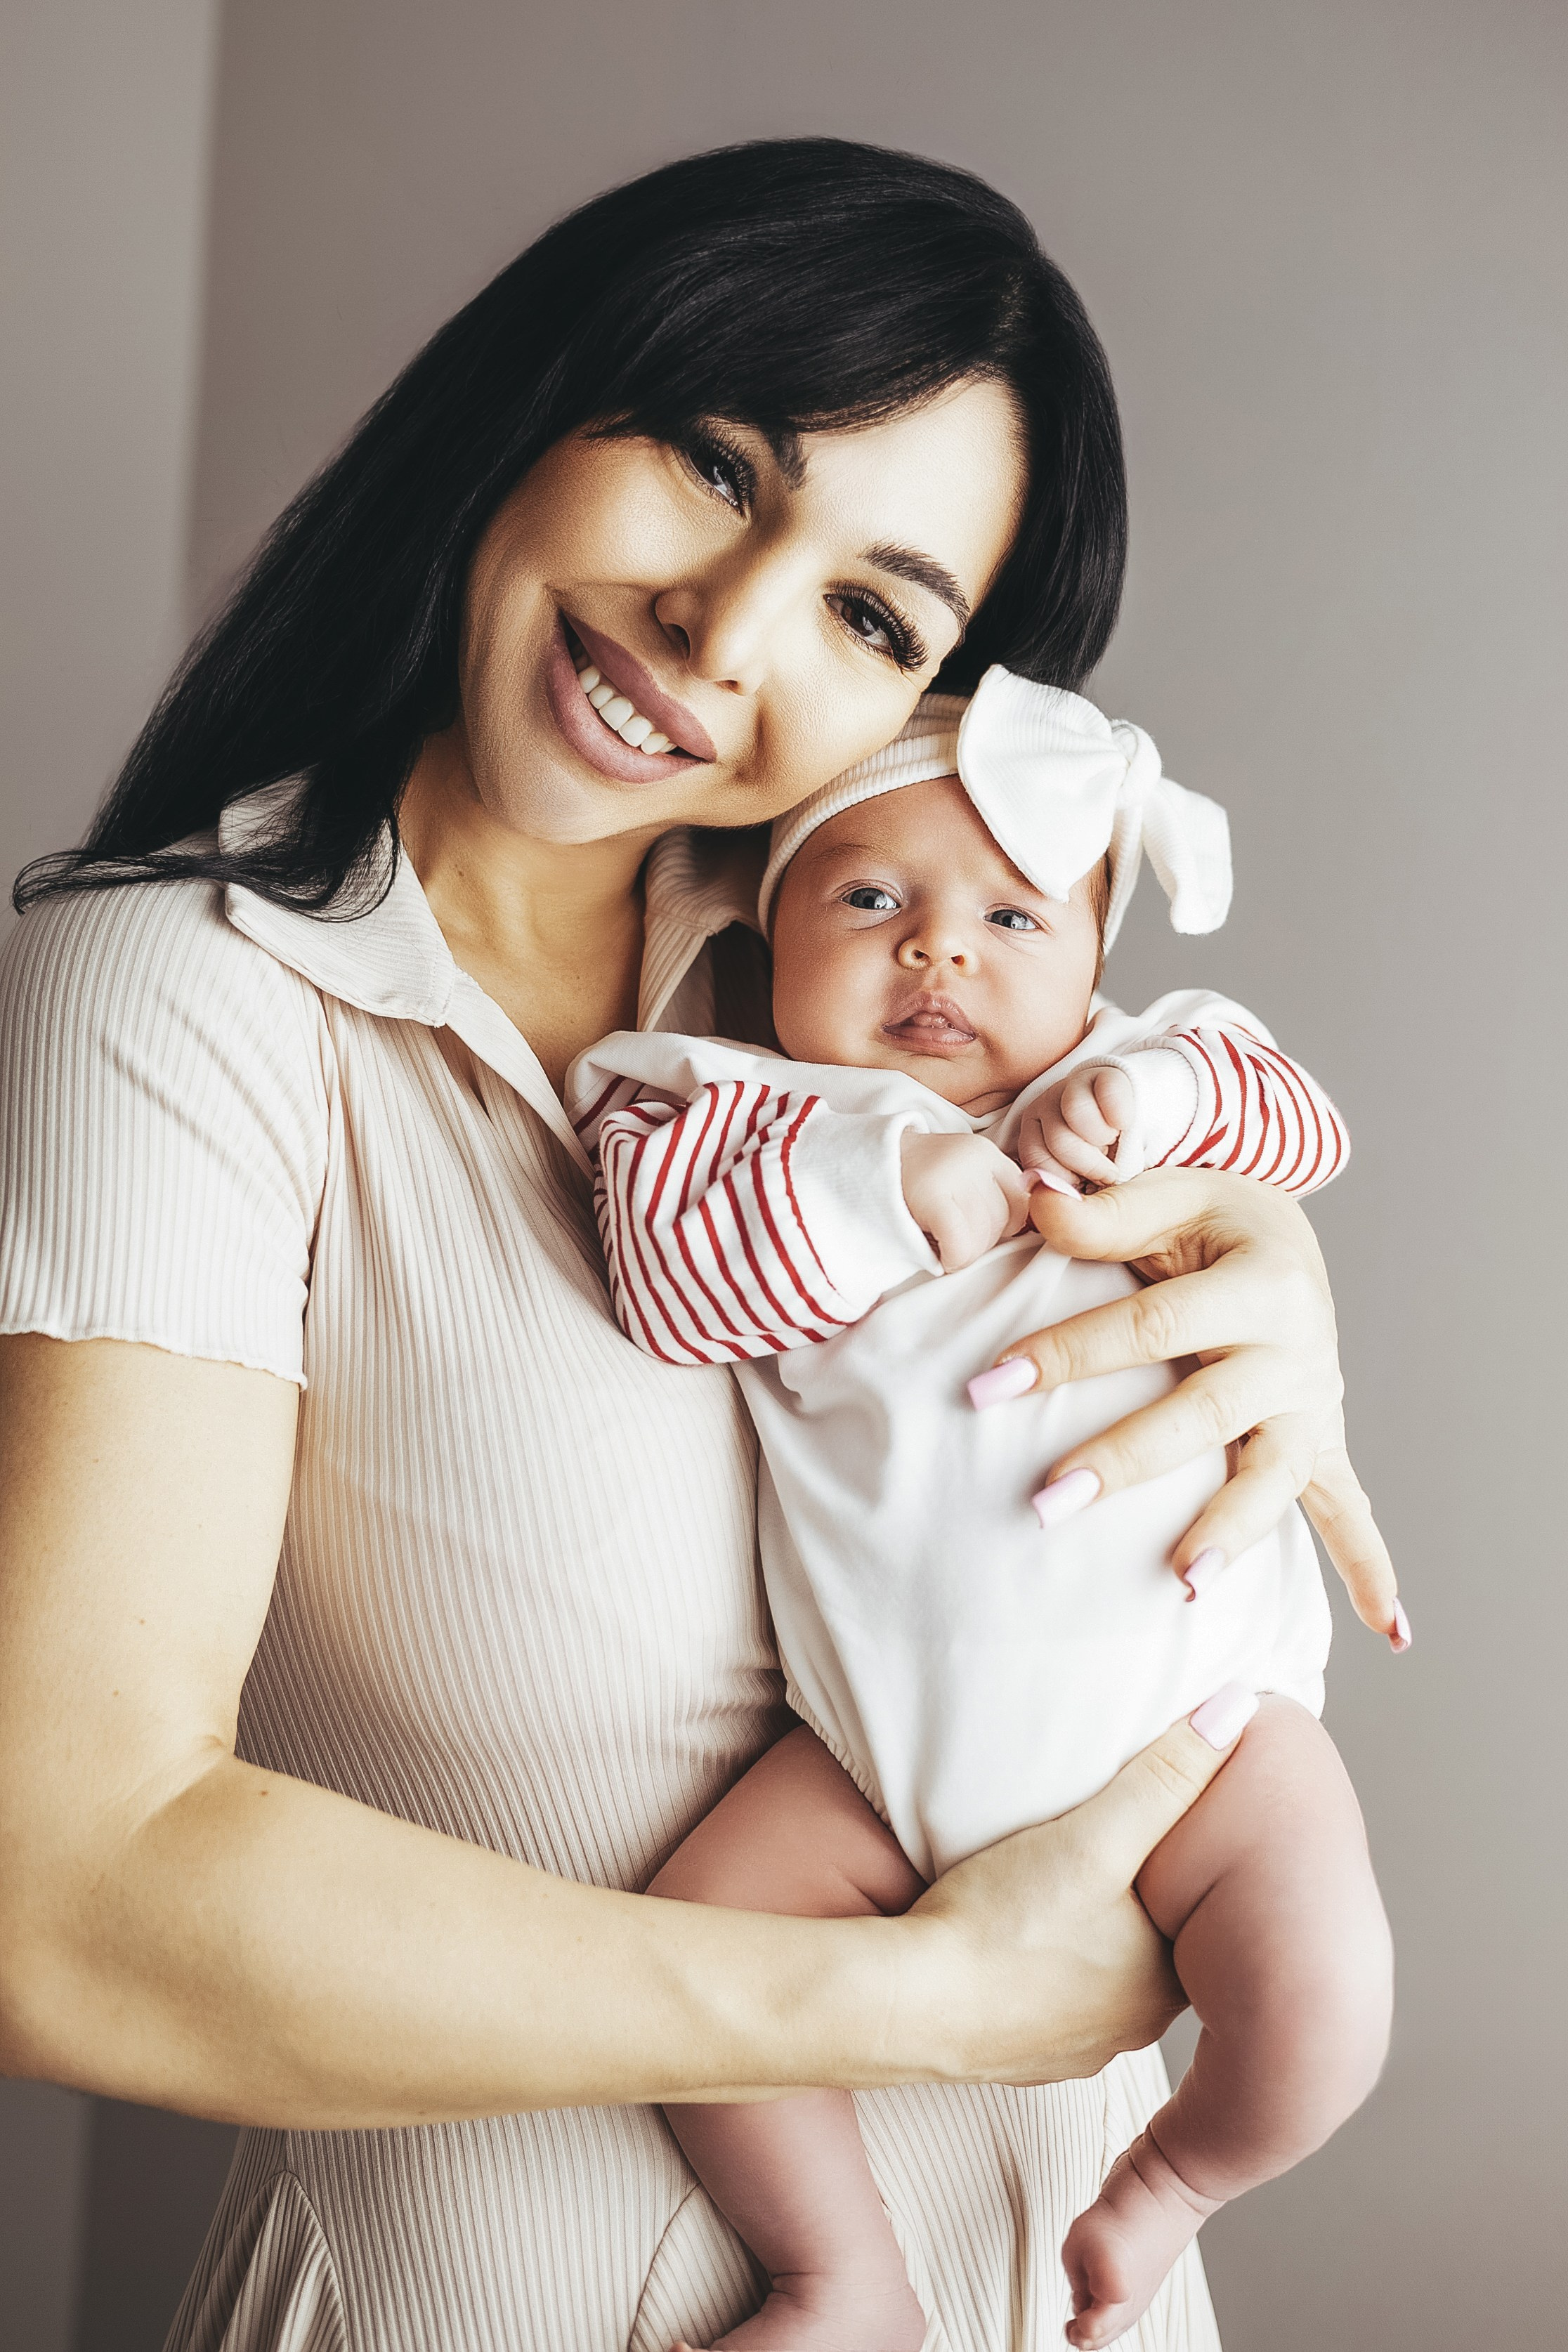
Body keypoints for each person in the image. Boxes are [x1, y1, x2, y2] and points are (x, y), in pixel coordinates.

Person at [0, 141, 1392, 2351]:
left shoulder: (905, 1037)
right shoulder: (191, 998)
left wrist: (1263, 1289)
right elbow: (58, 1895)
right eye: (712, 460)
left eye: (872, 613)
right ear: (536, 397)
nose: (725, 633)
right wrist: (914, 1999)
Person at [571, 667, 1402, 2350]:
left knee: (1327, 2011)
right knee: (704, 1963)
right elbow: (667, 1285)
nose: (940, 951)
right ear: (769, 925)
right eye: (870, 898)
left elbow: (1297, 1125)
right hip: (877, 1756)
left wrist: (1160, 1115)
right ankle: (841, 2275)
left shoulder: (1132, 1074)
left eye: (1015, 913)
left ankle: (1174, 2181)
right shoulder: (739, 1117)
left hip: (1202, 1735)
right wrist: (882, 1198)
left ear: (1097, 952)